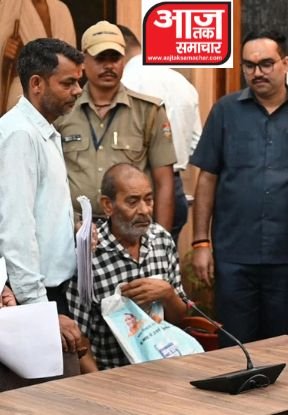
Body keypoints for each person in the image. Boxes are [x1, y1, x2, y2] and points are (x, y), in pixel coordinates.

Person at [190, 30, 288, 345]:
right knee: (234, 348)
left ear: (285, 63)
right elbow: (207, 177)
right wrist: (200, 243)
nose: (257, 72)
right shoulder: (225, 111)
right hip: (234, 254)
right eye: (249, 65)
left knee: (283, 345)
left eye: (266, 63)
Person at [0, 38, 84, 356]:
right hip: (31, 297)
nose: (78, 91)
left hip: (47, 292)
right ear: (37, 83)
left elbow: (40, 213)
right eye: (68, 83)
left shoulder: (42, 130)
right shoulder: (20, 134)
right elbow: (16, 229)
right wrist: (39, 309)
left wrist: (74, 230)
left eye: (78, 82)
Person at [54, 21, 176, 231]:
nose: (109, 66)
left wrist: (160, 238)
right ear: (83, 61)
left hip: (130, 229)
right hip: (75, 228)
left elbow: (164, 183)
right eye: (100, 58)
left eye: (115, 58)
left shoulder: (148, 112)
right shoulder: (63, 110)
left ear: (124, 60)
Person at [66, 163, 187, 370]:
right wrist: (100, 383)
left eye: (148, 200)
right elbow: (80, 341)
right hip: (113, 374)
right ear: (108, 205)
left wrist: (168, 294)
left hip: (165, 365)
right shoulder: (89, 254)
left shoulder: (162, 240)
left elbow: (181, 319)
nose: (144, 210)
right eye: (133, 202)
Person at [119, 25, 202, 242]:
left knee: (129, 261)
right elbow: (197, 144)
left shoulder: (124, 82)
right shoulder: (182, 83)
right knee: (165, 259)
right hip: (175, 187)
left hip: (134, 188)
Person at [0, 0, 76, 114]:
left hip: (60, 96)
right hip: (23, 93)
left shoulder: (61, 10)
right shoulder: (10, 6)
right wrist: (5, 52)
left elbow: (73, 62)